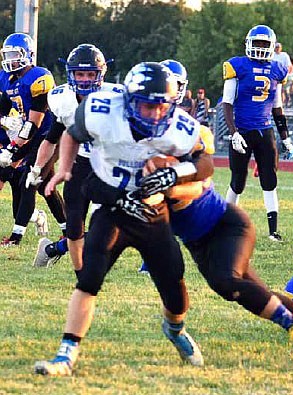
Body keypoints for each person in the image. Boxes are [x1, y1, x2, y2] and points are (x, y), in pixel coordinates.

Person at [34, 62, 210, 376]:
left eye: (161, 106)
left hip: (152, 212)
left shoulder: (180, 127)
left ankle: (175, 331)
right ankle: (66, 354)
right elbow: (73, 135)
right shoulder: (102, 110)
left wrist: (175, 173)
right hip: (112, 208)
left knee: (175, 291)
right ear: (128, 101)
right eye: (146, 105)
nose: (154, 114)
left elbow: (203, 164)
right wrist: (63, 168)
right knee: (88, 279)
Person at [141, 154, 293, 371]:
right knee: (257, 295)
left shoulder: (179, 144)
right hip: (198, 243)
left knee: (227, 283)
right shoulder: (132, 161)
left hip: (227, 226)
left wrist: (166, 186)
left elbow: (199, 182)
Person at [29, 44, 123, 271]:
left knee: (115, 228)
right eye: (79, 74)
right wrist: (37, 168)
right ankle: (80, 273)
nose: (84, 79)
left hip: (110, 166)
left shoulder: (117, 98)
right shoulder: (63, 99)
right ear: (70, 73)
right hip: (79, 165)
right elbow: (51, 139)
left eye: (90, 74)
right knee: (74, 226)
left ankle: (53, 249)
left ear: (101, 74)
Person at [222, 24, 293, 242]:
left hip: (265, 131)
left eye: (265, 44)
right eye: (257, 43)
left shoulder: (277, 69)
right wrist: (233, 132)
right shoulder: (237, 66)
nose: (261, 47)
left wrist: (286, 138)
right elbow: (227, 103)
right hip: (242, 130)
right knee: (238, 181)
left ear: (272, 46)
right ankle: (225, 225)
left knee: (270, 180)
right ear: (248, 44)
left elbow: (277, 107)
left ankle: (273, 231)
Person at [0, 32, 67, 246]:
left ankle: (16, 238)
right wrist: (4, 120)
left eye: (14, 55)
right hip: (28, 136)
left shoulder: (39, 77)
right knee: (46, 186)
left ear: (28, 55)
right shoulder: (6, 78)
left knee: (29, 179)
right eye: (7, 55)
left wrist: (11, 148)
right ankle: (70, 230)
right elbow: (2, 108)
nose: (10, 60)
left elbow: (33, 124)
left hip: (50, 136)